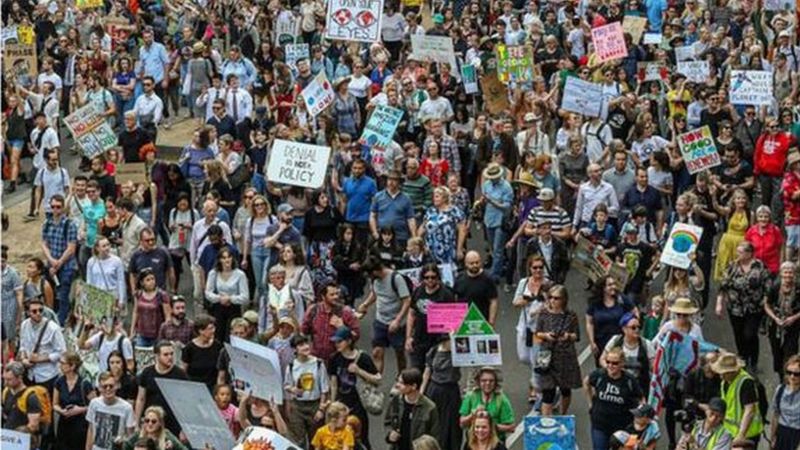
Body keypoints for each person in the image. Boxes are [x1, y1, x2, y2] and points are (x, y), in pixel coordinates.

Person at [716, 241, 771, 370]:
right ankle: (743, 357)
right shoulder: (732, 266)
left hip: (754, 307)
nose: (737, 254)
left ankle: (754, 359)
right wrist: (719, 304)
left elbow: (768, 285)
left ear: (749, 253)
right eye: (738, 251)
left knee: (750, 334)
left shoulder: (760, 266)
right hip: (735, 307)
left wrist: (766, 302)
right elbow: (723, 285)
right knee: (738, 334)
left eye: (741, 252)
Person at [328, 326, 382, 450]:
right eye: (335, 342)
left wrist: (359, 371)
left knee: (361, 437)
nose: (337, 345)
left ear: (349, 341)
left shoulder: (362, 358)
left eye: (340, 341)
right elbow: (334, 382)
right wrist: (332, 402)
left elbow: (378, 379)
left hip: (358, 405)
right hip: (341, 405)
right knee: (340, 437)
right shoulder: (334, 358)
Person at [357, 257, 411, 374]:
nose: (369, 278)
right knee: (377, 352)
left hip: (396, 323)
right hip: (380, 321)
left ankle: (400, 378)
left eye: (370, 274)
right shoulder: (374, 280)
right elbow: (375, 293)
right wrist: (365, 304)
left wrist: (397, 320)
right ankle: (376, 382)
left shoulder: (396, 278)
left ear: (376, 271)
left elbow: (407, 301)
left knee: (399, 353)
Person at [534, 284, 581, 415]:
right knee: (548, 391)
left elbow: (576, 335)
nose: (552, 301)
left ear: (564, 299)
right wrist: (546, 335)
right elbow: (537, 332)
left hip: (565, 357)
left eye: (556, 298)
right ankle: (546, 420)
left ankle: (562, 415)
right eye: (550, 297)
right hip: (547, 356)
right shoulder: (543, 313)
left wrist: (567, 336)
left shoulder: (571, 315)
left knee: (565, 389)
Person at [584, 347, 643, 450]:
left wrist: (641, 418)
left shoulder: (629, 380)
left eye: (615, 363)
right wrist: (590, 403)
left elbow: (641, 398)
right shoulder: (599, 375)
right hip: (600, 424)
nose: (610, 366)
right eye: (608, 362)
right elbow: (586, 382)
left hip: (622, 426)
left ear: (622, 364)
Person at [406, 264, 456, 369]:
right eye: (426, 277)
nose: (430, 280)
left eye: (433, 277)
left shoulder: (446, 294)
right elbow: (411, 314)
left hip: (437, 341)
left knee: (434, 372)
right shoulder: (418, 291)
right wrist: (408, 337)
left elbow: (453, 320)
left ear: (438, 277)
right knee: (416, 371)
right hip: (419, 339)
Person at [284, 334, 330, 447]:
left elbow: (325, 389)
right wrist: (293, 389)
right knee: (298, 440)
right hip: (297, 406)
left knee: (316, 441)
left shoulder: (318, 364)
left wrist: (321, 409)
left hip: (314, 405)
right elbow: (286, 385)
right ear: (295, 349)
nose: (305, 347)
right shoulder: (291, 366)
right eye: (301, 345)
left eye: (306, 343)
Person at [134, 341, 188, 436]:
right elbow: (141, 398)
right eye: (166, 355)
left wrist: (184, 428)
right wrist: (136, 422)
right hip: (151, 422)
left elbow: (185, 403)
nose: (170, 357)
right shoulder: (147, 372)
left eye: (171, 354)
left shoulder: (180, 374)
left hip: (172, 424)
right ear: (157, 356)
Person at [40, 194, 78, 324]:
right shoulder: (47, 223)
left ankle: (61, 322)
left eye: (58, 207)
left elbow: (71, 248)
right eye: (53, 207)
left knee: (63, 295)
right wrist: (51, 260)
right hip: (51, 264)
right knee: (50, 293)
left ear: (63, 208)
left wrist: (58, 263)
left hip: (66, 266)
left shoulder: (69, 224)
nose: (55, 210)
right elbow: (44, 243)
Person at [712, 352, 763, 446]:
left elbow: (750, 410)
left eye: (724, 373)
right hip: (729, 431)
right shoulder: (725, 382)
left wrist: (741, 435)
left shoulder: (746, 383)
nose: (721, 376)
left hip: (747, 433)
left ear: (733, 371)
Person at [18, 297, 66, 392]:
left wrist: (40, 359)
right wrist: (24, 360)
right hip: (30, 375)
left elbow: (62, 352)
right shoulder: (24, 325)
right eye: (34, 311)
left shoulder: (53, 328)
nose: (38, 313)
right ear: (27, 312)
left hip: (47, 375)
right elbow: (22, 345)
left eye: (40, 310)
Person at [384, 368, 439, 450]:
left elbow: (435, 436)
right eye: (397, 381)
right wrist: (390, 434)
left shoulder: (429, 407)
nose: (397, 385)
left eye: (401, 383)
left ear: (413, 386)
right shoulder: (395, 401)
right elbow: (387, 422)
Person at [764, 262, 800, 378]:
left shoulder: (798, 288)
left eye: (791, 273)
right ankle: (780, 372)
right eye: (786, 272)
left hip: (793, 324)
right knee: (776, 351)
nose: (788, 275)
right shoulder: (775, 286)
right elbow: (767, 305)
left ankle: (788, 376)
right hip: (775, 324)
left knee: (789, 352)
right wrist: (775, 318)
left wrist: (793, 318)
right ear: (781, 274)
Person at [459, 367, 515, 441]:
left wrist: (491, 426)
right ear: (478, 382)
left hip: (495, 442)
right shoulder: (471, 396)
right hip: (473, 442)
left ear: (495, 383)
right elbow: (462, 423)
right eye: (484, 380)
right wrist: (473, 414)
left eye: (491, 381)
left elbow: (511, 427)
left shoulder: (502, 400)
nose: (487, 383)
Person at [204, 248, 249, 341]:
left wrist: (230, 298)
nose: (227, 260)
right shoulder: (213, 273)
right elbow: (208, 293)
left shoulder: (240, 274)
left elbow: (245, 297)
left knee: (231, 337)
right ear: (220, 260)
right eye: (224, 258)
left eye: (229, 257)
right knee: (218, 336)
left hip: (234, 308)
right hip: (218, 308)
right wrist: (219, 298)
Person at [480, 163, 514, 283]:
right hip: (489, 219)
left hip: (500, 220)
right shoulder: (486, 185)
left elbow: (507, 207)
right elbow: (484, 199)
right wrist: (483, 201)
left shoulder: (506, 187)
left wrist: (493, 202)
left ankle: (494, 275)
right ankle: (500, 267)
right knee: (492, 248)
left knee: (498, 248)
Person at [52, 352, 94, 450]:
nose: (60, 365)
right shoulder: (59, 382)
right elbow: (55, 404)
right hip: (64, 424)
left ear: (72, 366)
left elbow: (95, 405)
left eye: (63, 363)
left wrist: (80, 409)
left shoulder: (85, 383)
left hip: (80, 425)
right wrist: (61, 411)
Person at [85, 371, 137, 450]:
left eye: (111, 386)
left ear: (117, 386)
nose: (108, 389)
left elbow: (130, 436)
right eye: (104, 386)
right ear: (99, 388)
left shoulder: (126, 408)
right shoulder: (94, 403)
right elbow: (91, 430)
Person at [2, 361, 47, 439]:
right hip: (7, 437)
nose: (5, 383)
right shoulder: (6, 391)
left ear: (19, 377)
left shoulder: (31, 397)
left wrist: (16, 437)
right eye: (4, 379)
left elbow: (33, 426)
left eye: (9, 379)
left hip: (22, 440)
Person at [454, 251, 499, 327]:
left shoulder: (488, 279)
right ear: (466, 264)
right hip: (464, 322)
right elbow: (455, 298)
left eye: (477, 262)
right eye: (471, 263)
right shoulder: (459, 278)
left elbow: (493, 301)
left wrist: (491, 322)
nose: (475, 265)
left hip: (482, 321)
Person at [181, 314, 223, 391]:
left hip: (212, 388)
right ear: (201, 331)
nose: (213, 330)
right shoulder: (189, 348)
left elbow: (220, 370)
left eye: (213, 327)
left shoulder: (217, 345)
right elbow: (184, 371)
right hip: (195, 388)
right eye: (210, 328)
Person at [769, 355, 800, 450]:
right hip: (781, 433)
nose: (792, 376)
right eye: (789, 372)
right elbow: (776, 415)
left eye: (796, 374)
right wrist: (773, 437)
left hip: (797, 434)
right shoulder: (780, 390)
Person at [122, 406, 187, 450]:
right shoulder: (138, 434)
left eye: (154, 421)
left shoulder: (167, 435)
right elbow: (125, 446)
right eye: (147, 421)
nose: (150, 424)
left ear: (160, 423)